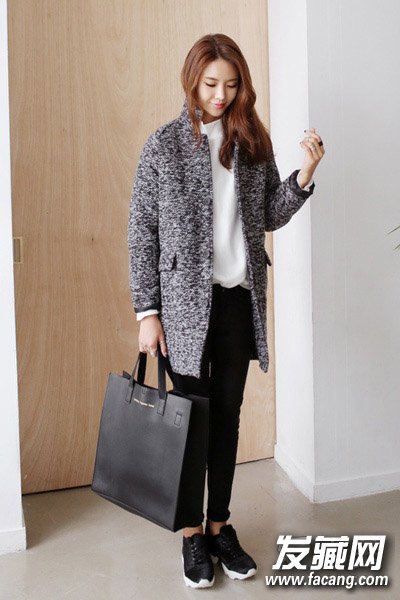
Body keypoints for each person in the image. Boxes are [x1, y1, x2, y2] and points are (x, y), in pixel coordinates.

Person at [127, 33, 324, 588]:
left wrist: (304, 174)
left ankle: (220, 526)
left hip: (238, 300)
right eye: (211, 84)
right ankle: (191, 535)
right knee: (191, 421)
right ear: (192, 80)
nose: (220, 95)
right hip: (183, 310)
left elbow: (269, 214)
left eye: (231, 85)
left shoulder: (250, 141)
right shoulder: (163, 146)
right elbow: (142, 232)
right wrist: (147, 312)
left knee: (228, 417)